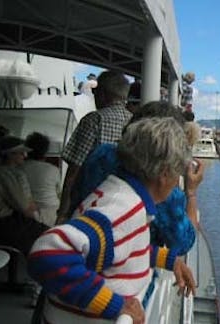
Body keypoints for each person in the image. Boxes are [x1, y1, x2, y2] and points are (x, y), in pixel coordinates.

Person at [28, 117, 196, 324]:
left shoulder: (121, 193)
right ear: (164, 174)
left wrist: (169, 260)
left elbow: (120, 249)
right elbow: (47, 254)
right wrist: (115, 305)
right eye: (177, 174)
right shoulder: (123, 208)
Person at [69, 101, 202, 254]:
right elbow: (183, 242)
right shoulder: (161, 189)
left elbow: (76, 194)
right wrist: (191, 192)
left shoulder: (102, 153)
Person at [58, 70, 132, 223]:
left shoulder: (94, 120)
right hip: (123, 204)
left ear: (103, 94)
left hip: (89, 202)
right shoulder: (134, 121)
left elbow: (75, 168)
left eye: (95, 92)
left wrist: (64, 211)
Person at [0, 134, 47, 256]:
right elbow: (24, 207)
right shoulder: (3, 173)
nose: (25, 156)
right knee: (47, 236)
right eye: (21, 152)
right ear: (10, 154)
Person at [21, 132, 61, 227]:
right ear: (45, 151)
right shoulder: (53, 169)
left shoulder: (19, 168)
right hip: (51, 213)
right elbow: (58, 192)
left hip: (27, 212)